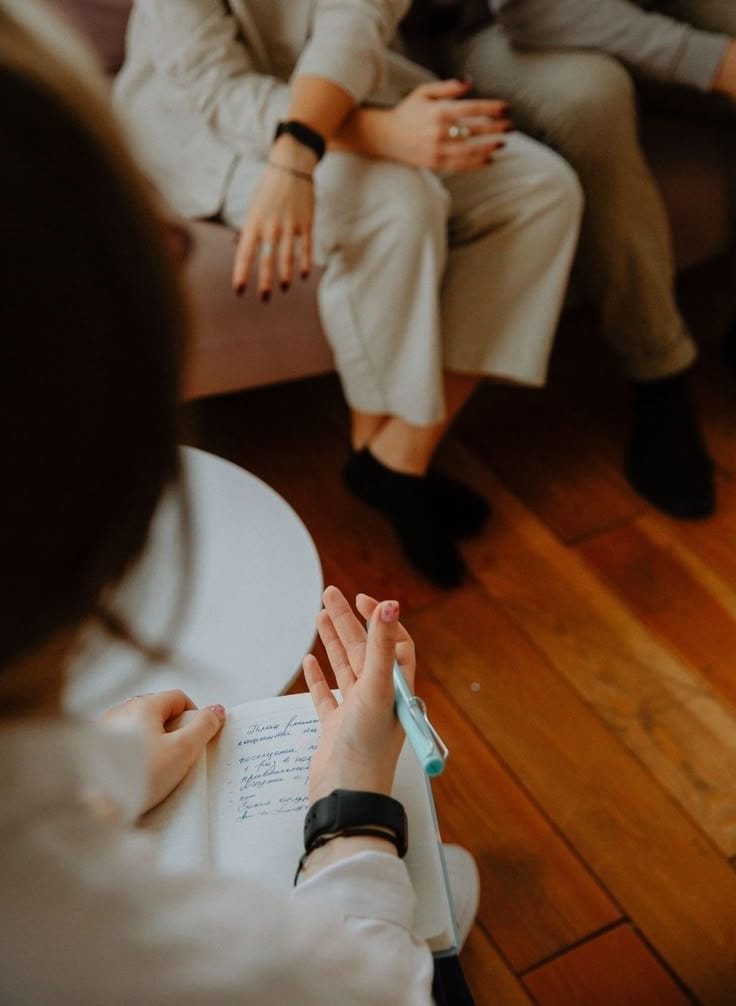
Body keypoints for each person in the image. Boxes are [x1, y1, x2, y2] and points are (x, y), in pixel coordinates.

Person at [0, 2, 479, 1001]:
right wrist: (353, 810)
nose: (175, 246)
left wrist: (99, 775)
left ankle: (394, 460)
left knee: (521, 192)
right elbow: (382, 986)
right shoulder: (212, 966)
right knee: (453, 896)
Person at [113, 0, 583, 589]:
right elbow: (219, 89)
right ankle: (387, 462)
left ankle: (398, 459)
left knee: (542, 191)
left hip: (345, 91)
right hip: (205, 127)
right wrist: (357, 143)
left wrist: (329, 140)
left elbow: (354, 23)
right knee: (395, 205)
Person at [413, 0, 736, 520]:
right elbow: (535, 12)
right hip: (500, 24)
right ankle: (658, 371)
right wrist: (716, 63)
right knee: (591, 99)